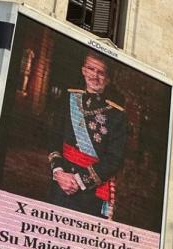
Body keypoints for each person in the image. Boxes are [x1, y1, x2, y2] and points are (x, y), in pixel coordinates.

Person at [48, 52, 128, 219]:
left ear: (107, 78)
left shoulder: (117, 115)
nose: (94, 75)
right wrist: (59, 172)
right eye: (91, 69)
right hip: (61, 183)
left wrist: (79, 180)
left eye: (100, 72)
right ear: (83, 70)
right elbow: (54, 137)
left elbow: (115, 159)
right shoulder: (68, 98)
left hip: (90, 193)